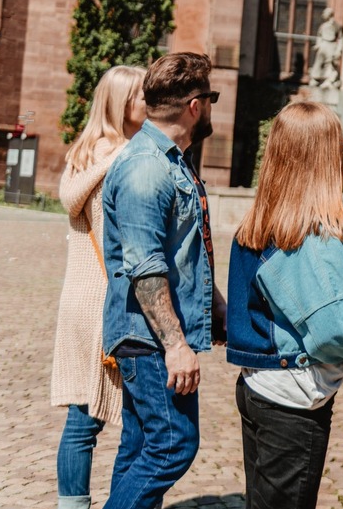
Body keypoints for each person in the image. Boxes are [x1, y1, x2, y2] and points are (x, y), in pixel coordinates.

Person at [227, 101, 343, 509]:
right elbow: (335, 330)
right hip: (295, 400)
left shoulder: (260, 224)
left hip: (259, 386)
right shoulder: (314, 237)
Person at [100, 52, 227, 509]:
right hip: (148, 339)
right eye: (210, 98)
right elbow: (146, 266)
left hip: (152, 335)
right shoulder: (146, 167)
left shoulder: (173, 160)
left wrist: (218, 312)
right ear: (196, 105)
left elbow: (183, 253)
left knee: (139, 449)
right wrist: (177, 346)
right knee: (173, 445)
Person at [51, 65, 146, 509]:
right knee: (91, 418)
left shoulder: (84, 153)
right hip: (102, 301)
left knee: (83, 415)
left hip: (80, 297)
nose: (150, 102)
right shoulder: (121, 159)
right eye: (143, 95)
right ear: (122, 104)